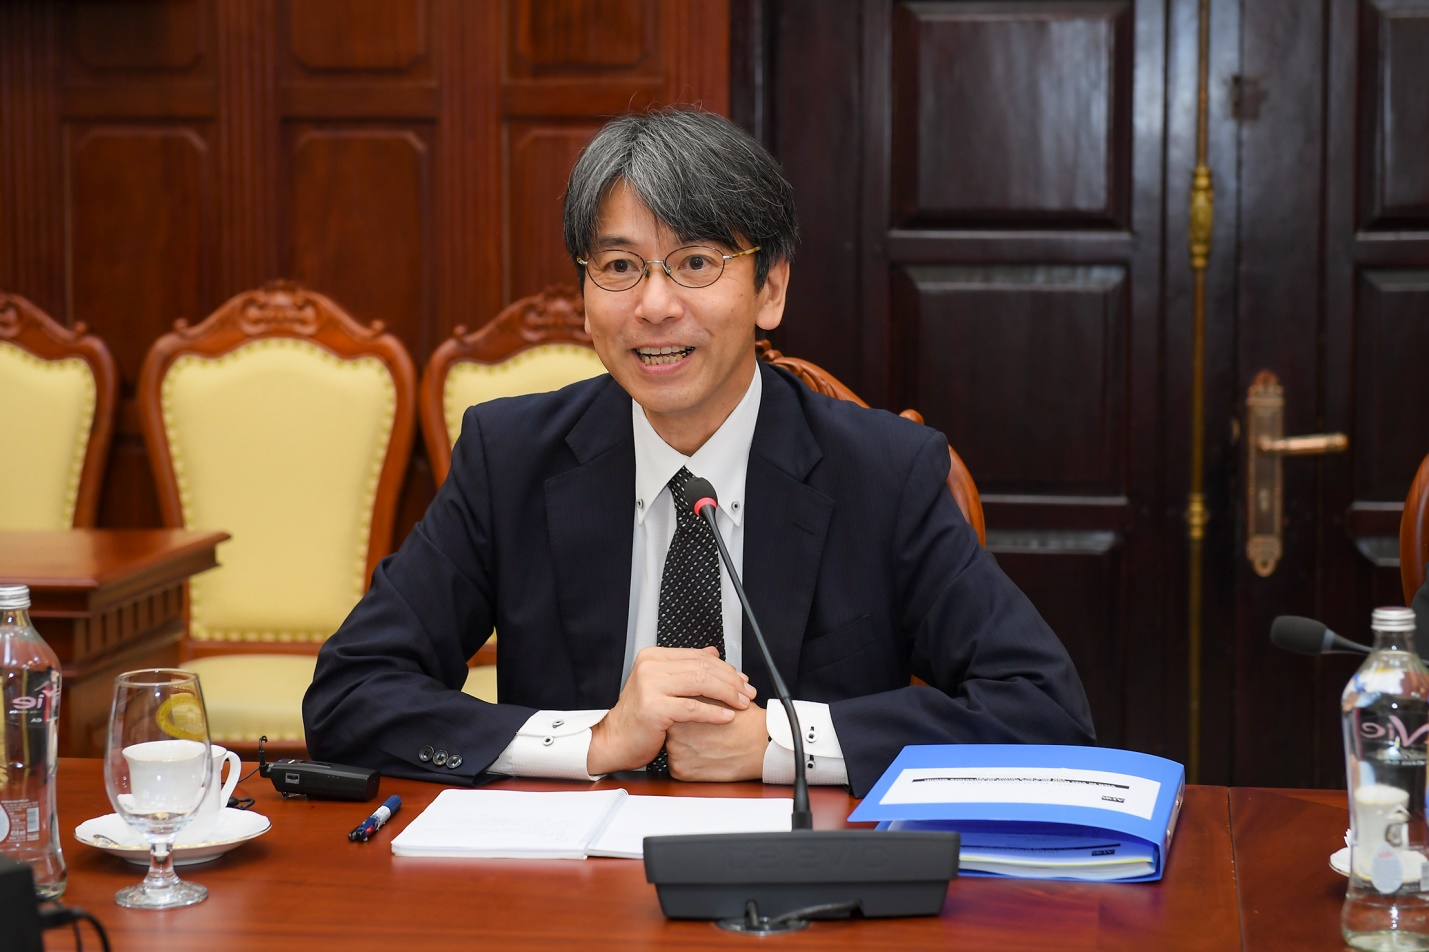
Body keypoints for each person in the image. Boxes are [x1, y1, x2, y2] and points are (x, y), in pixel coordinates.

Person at [302, 107, 1095, 797]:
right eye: (619, 267)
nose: (654, 305)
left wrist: (780, 743)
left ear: (769, 289)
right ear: (584, 294)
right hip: (568, 883)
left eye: (695, 263)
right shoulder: (510, 459)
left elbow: (1042, 711)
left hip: (803, 877)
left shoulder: (883, 473)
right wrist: (592, 741)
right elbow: (350, 692)